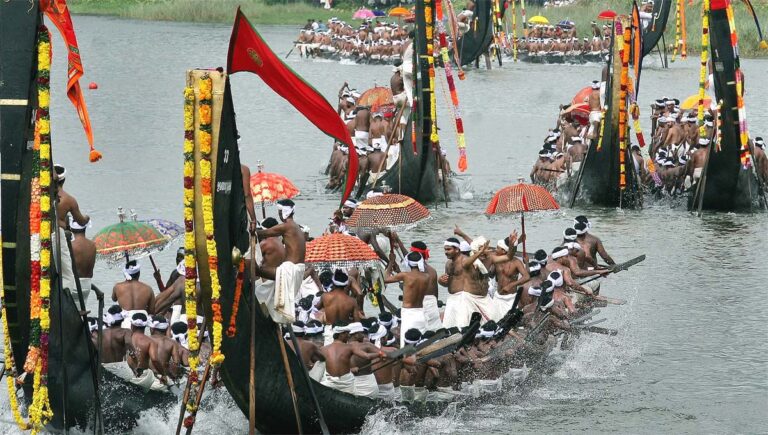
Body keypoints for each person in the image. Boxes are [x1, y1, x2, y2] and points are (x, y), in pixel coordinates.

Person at [254, 199, 306, 323]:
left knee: (255, 270)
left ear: (285, 211)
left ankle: (259, 309)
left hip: (289, 270)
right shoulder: (295, 226)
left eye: (279, 212)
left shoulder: (287, 226)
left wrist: (250, 230)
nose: (278, 214)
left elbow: (263, 233)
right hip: (295, 269)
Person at [439, 237, 496, 328]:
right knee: (449, 328)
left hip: (463, 299)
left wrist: (480, 252)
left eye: (448, 249)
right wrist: (440, 281)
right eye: (445, 249)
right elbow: (447, 283)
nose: (446, 252)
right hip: (452, 299)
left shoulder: (466, 260)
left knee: (463, 327)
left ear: (457, 249)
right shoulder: (448, 264)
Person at [53, 164, 90, 293]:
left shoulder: (40, 194)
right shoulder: (69, 200)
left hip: (41, 233)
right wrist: (87, 218)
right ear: (64, 180)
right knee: (67, 272)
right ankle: (66, 297)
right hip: (58, 236)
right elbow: (81, 220)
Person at [385, 251, 431, 346]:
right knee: (421, 344)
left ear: (408, 263)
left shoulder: (405, 275)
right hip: (421, 313)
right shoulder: (426, 276)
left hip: (409, 314)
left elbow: (385, 279)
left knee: (406, 345)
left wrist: (391, 262)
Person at [320, 325, 382, 394]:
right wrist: (380, 354)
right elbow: (367, 356)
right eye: (347, 334)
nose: (349, 336)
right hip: (346, 385)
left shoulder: (323, 349)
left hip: (331, 383)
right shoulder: (349, 347)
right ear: (341, 335)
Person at [318, 270, 364, 344]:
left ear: (333, 283)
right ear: (346, 285)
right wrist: (360, 310)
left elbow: (316, 309)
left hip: (330, 330)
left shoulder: (325, 297)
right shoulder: (352, 301)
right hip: (344, 332)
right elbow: (357, 323)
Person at [112, 260, 156, 328]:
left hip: (126, 322)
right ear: (139, 273)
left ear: (125, 273)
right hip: (142, 322)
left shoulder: (117, 287)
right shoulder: (148, 288)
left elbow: (114, 299)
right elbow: (152, 310)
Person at [147, 315, 187, 383]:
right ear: (166, 329)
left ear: (152, 328)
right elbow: (176, 363)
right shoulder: (172, 343)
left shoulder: (145, 339)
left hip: (147, 378)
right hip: (163, 379)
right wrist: (173, 379)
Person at [68, 215, 96, 301]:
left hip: (74, 285)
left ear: (71, 229)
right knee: (81, 310)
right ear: (85, 228)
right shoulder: (92, 245)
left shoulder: (70, 245)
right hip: (87, 285)